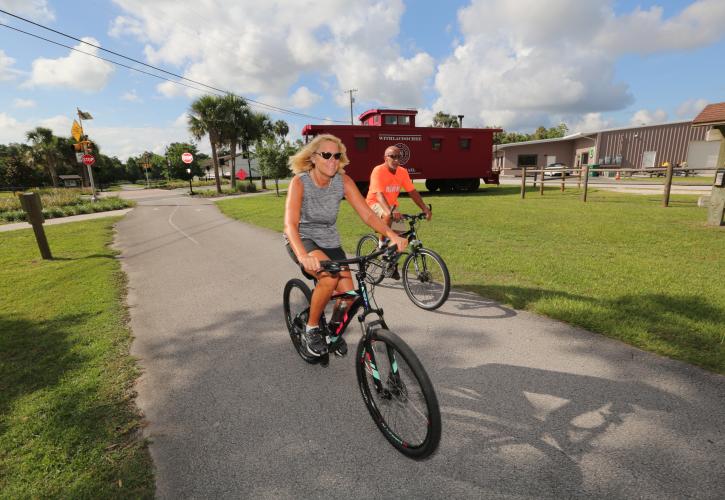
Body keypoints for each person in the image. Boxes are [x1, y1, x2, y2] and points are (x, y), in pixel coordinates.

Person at [284, 134, 407, 357]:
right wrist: (303, 255)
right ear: (313, 157)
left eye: (336, 155)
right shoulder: (300, 182)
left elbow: (368, 215)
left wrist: (391, 234)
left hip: (329, 239)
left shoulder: (343, 181)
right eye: (326, 155)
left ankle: (331, 331)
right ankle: (312, 328)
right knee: (329, 276)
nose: (332, 160)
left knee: (349, 294)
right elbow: (290, 225)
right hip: (303, 238)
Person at [365, 145, 432, 277]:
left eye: (399, 157)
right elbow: (379, 194)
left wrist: (424, 208)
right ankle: (382, 244)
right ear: (385, 158)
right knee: (387, 215)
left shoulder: (402, 172)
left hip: (392, 207)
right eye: (392, 156)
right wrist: (389, 210)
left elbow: (412, 191)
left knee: (402, 236)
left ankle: (391, 264)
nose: (396, 160)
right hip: (375, 204)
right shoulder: (378, 170)